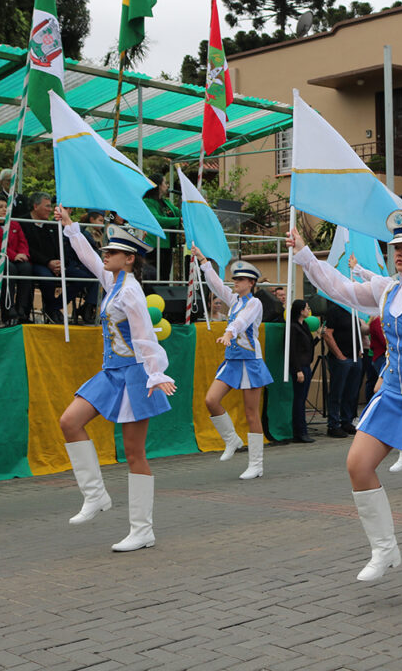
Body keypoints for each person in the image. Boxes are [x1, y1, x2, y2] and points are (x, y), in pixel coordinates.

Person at [288, 210, 402, 602]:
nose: (398, 254)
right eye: (395, 248)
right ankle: (385, 548)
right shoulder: (386, 289)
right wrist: (305, 255)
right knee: (357, 464)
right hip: (390, 396)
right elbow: (339, 288)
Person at [55, 207, 176, 552]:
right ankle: (96, 496)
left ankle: (143, 529)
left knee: (134, 453)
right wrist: (71, 228)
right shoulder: (114, 281)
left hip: (135, 374)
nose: (105, 255)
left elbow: (143, 336)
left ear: (129, 258)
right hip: (111, 372)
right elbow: (89, 259)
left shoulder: (131, 292)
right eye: (106, 250)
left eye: (112, 252)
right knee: (69, 421)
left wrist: (155, 373)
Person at [194, 247, 272, 479]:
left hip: (250, 360)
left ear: (251, 282)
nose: (234, 282)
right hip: (232, 360)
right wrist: (203, 261)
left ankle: (256, 464)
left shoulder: (254, 303)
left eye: (239, 279)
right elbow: (217, 285)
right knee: (211, 400)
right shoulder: (235, 300)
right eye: (234, 279)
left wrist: (229, 333)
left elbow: (242, 321)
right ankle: (232, 439)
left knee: (251, 414)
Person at [0, 193, 32, 324]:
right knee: (9, 268)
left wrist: (23, 254)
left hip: (14, 257)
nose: (4, 209)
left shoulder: (14, 224)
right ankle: (8, 310)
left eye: (6, 206)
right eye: (0, 207)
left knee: (26, 267)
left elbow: (23, 242)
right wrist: (14, 255)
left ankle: (22, 308)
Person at [324, 299, 365, 438]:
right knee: (337, 391)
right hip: (342, 359)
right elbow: (328, 334)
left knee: (351, 392)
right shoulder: (335, 311)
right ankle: (333, 424)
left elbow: (359, 331)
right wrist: (339, 355)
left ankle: (346, 421)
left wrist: (359, 351)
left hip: (354, 357)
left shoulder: (354, 310)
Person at [23, 193, 63, 323]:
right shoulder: (23, 223)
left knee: (82, 277)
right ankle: (52, 309)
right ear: (35, 206)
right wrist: (48, 263)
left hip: (54, 264)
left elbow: (57, 247)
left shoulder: (51, 226)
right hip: (34, 263)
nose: (50, 209)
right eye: (47, 206)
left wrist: (58, 263)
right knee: (47, 278)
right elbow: (27, 248)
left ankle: (54, 307)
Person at [63, 210, 105, 324]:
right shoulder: (87, 233)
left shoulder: (102, 234)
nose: (103, 223)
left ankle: (87, 307)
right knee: (97, 277)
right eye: (100, 220)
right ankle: (88, 307)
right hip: (80, 264)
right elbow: (88, 252)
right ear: (92, 220)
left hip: (94, 264)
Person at [288, 299, 318, 444]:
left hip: (306, 365)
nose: (308, 310)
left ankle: (302, 430)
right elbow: (292, 350)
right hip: (300, 367)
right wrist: (298, 370)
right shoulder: (293, 327)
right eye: (306, 308)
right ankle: (299, 431)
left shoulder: (304, 325)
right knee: (299, 400)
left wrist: (318, 337)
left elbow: (309, 346)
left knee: (302, 397)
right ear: (300, 310)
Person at [142, 173, 181, 281]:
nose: (167, 185)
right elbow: (157, 219)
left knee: (165, 276)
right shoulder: (148, 202)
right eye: (165, 183)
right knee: (154, 276)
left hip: (167, 244)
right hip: (154, 245)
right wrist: (178, 220)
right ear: (158, 185)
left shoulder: (166, 202)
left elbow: (178, 213)